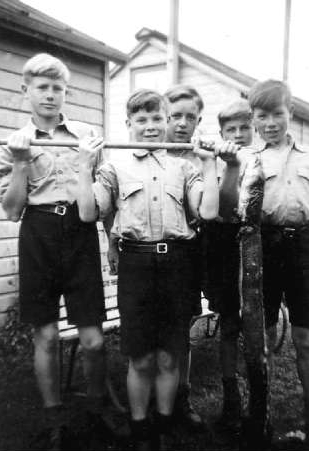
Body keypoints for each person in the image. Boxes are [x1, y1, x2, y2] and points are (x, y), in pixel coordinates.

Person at [77, 88, 220, 451]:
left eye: (158, 118)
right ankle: (141, 428)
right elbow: (88, 212)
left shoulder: (184, 166)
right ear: (128, 125)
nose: (151, 126)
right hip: (136, 265)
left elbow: (206, 212)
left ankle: (165, 421)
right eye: (141, 120)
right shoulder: (114, 167)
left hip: (177, 264)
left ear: (166, 121)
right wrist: (83, 165)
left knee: (171, 354)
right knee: (141, 357)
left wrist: (209, 164)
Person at [0, 53, 110, 449]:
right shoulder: (14, 143)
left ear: (67, 92)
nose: (50, 95)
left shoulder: (87, 134)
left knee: (94, 340)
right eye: (42, 87)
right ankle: (54, 422)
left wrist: (111, 237)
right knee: (45, 337)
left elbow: (104, 192)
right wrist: (19, 162)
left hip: (80, 232)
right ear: (25, 90)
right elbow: (12, 211)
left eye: (57, 88)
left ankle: (96, 412)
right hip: (38, 234)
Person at [222, 79, 309, 445]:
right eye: (262, 116)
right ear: (253, 120)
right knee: (261, 337)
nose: (270, 122)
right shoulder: (247, 159)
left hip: (305, 247)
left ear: (290, 113)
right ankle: (261, 417)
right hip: (262, 249)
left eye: (277, 114)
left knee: (306, 338)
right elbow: (229, 211)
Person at [204, 99, 255, 439]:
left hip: (256, 246)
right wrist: (231, 165)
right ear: (222, 133)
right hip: (223, 247)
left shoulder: (263, 158)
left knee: (256, 326)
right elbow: (224, 204)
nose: (237, 134)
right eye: (230, 129)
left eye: (243, 128)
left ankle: (257, 398)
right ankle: (231, 400)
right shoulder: (220, 160)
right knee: (229, 325)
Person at [163, 84, 204, 429]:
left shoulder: (201, 157)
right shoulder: (147, 152)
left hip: (189, 252)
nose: (182, 123)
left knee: (181, 327)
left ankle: (182, 396)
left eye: (190, 116)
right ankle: (152, 397)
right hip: (150, 255)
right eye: (175, 115)